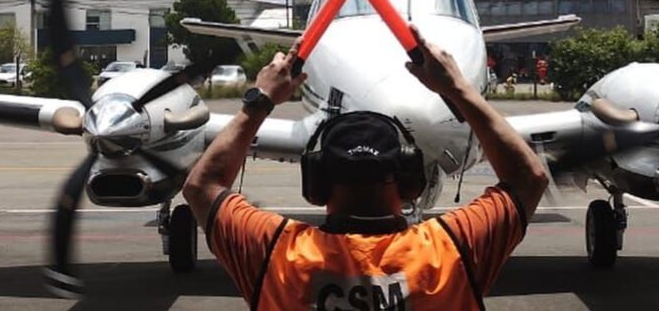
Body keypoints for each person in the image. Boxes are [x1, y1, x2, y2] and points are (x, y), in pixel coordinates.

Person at [183, 25, 549, 310]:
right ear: (410, 180)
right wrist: (458, 88)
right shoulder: (451, 250)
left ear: (316, 182)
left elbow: (202, 186)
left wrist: (259, 100)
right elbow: (529, 178)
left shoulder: (276, 253)